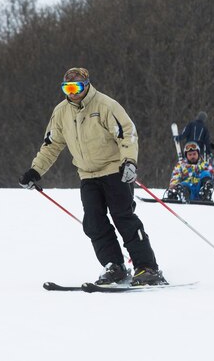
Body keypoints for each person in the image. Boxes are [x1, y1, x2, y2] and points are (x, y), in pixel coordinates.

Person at [18, 67, 166, 287]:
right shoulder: (61, 112)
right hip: (87, 175)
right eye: (66, 88)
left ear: (86, 85)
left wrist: (129, 162)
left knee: (123, 218)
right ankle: (114, 266)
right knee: (94, 223)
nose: (72, 92)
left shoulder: (105, 105)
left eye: (76, 87)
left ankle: (147, 267)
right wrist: (35, 170)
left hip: (115, 171)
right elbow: (51, 145)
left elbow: (127, 133)